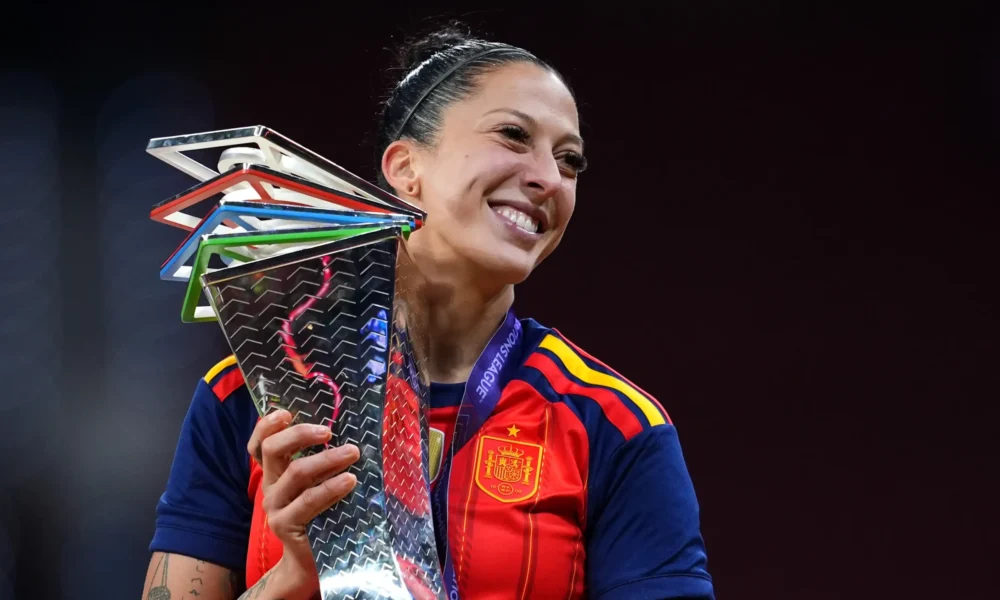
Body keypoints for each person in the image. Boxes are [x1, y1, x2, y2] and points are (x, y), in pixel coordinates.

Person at [142, 22, 714, 600]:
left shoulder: (612, 423)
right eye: (514, 135)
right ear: (405, 168)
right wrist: (296, 576)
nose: (548, 178)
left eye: (570, 161)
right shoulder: (253, 395)